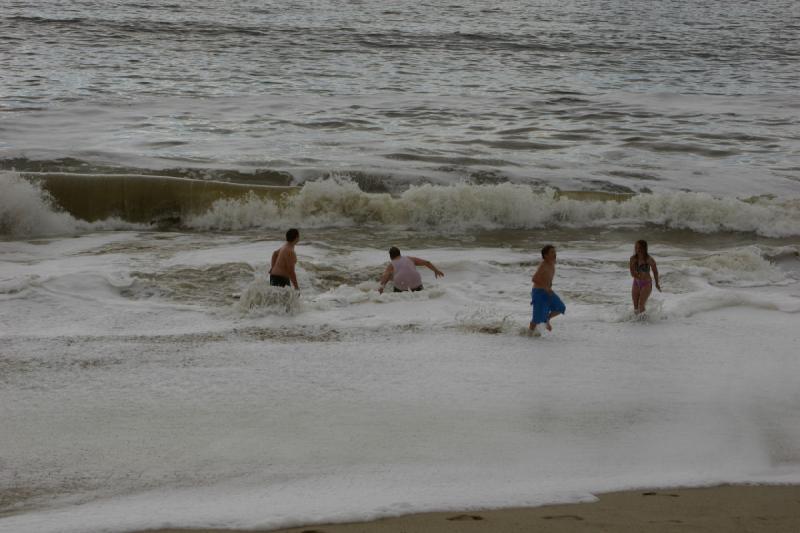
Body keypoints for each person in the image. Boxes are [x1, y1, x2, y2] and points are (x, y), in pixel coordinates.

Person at [529, 244, 566, 336]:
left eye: (555, 252)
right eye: (552, 252)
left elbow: (548, 278)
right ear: (545, 255)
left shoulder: (552, 263)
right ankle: (529, 335)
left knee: (561, 307)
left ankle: (547, 319)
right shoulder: (543, 265)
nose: (555, 254)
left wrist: (549, 287)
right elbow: (534, 278)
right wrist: (546, 287)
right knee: (536, 319)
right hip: (539, 293)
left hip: (547, 291)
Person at [378, 247, 444, 293]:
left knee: (390, 275)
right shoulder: (410, 259)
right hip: (417, 286)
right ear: (399, 253)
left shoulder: (391, 264)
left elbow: (385, 276)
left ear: (391, 257)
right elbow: (427, 263)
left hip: (402, 289)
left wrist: (381, 288)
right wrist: (436, 271)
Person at [629, 239, 661, 314]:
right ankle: (635, 321)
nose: (638, 250)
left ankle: (644, 322)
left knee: (641, 304)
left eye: (640, 248)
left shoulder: (649, 259)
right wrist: (637, 275)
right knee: (636, 306)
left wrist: (657, 284)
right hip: (636, 283)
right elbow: (632, 273)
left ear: (644, 248)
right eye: (636, 247)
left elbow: (655, 272)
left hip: (646, 283)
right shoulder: (633, 259)